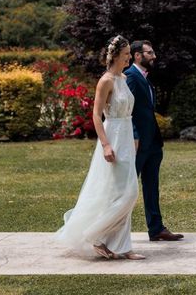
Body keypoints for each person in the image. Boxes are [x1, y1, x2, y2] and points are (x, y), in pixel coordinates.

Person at [55, 35, 145, 260]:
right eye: (125, 55)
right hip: (112, 136)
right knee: (124, 193)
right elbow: (96, 115)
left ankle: (122, 247)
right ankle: (95, 235)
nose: (128, 58)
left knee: (126, 192)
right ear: (115, 55)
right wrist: (106, 145)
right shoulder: (105, 81)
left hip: (125, 136)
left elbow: (128, 114)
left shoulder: (123, 78)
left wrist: (134, 139)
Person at [125, 40, 184, 242]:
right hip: (138, 144)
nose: (154, 56)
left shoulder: (146, 78)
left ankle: (156, 228)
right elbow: (126, 110)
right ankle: (115, 231)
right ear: (137, 55)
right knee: (127, 188)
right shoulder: (131, 77)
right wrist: (135, 138)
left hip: (153, 144)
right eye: (150, 53)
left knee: (152, 187)